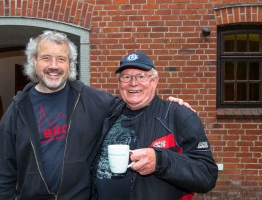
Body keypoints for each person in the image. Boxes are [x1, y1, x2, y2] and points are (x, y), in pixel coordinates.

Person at [0, 30, 191, 200]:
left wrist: (169, 106)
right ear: (34, 61)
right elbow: (3, 169)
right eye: (46, 58)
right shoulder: (18, 109)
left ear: (70, 64)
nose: (54, 65)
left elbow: (135, 101)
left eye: (61, 59)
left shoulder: (91, 99)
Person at [92, 52, 218, 200]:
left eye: (141, 76)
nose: (133, 83)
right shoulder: (109, 115)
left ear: (154, 81)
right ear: (119, 83)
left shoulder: (178, 115)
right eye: (126, 77)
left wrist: (160, 161)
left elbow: (206, 176)